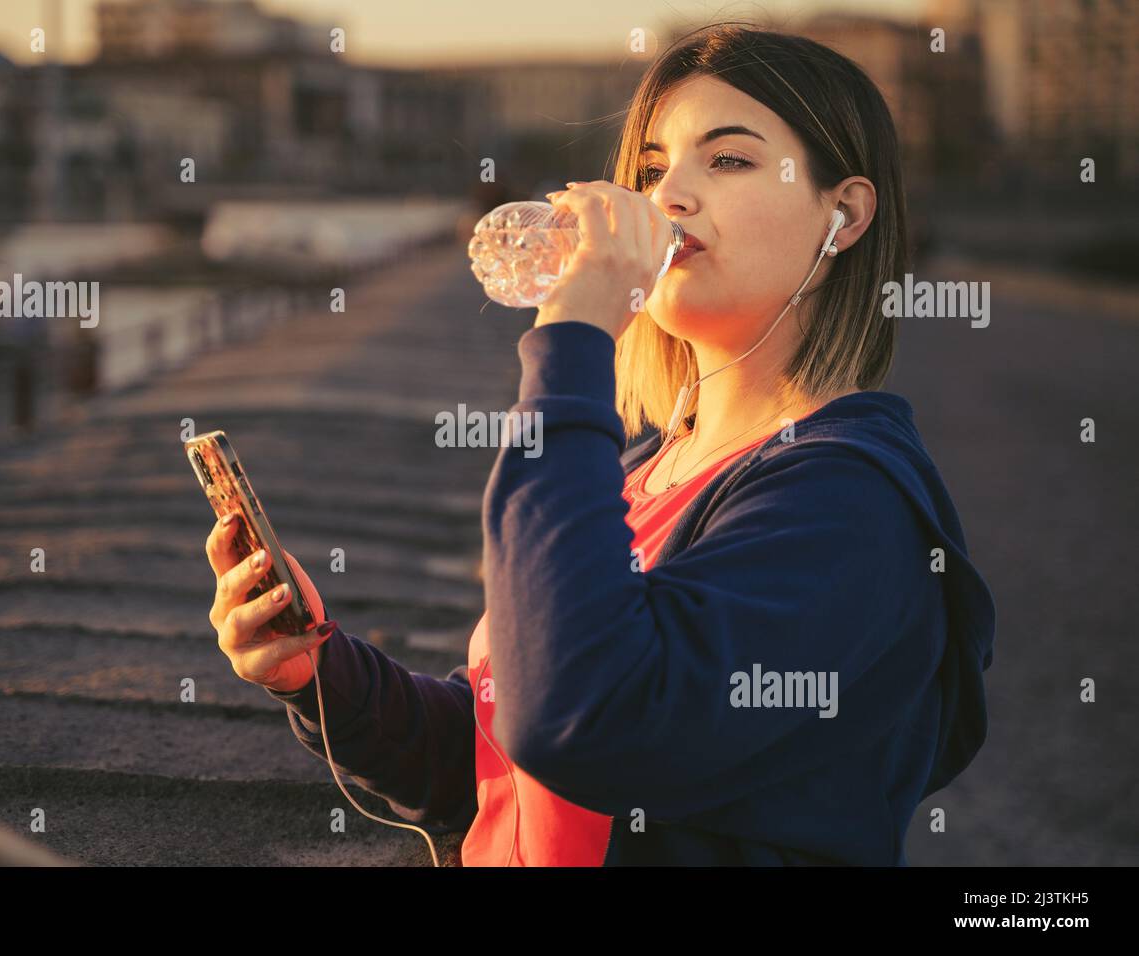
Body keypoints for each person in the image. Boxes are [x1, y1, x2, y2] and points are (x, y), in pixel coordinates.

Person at [204, 24, 996, 866]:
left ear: (844, 215)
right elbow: (508, 771)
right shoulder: (647, 471)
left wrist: (576, 335)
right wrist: (320, 674)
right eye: (652, 170)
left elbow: (582, 720)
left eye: (727, 160)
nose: (669, 199)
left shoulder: (849, 504)